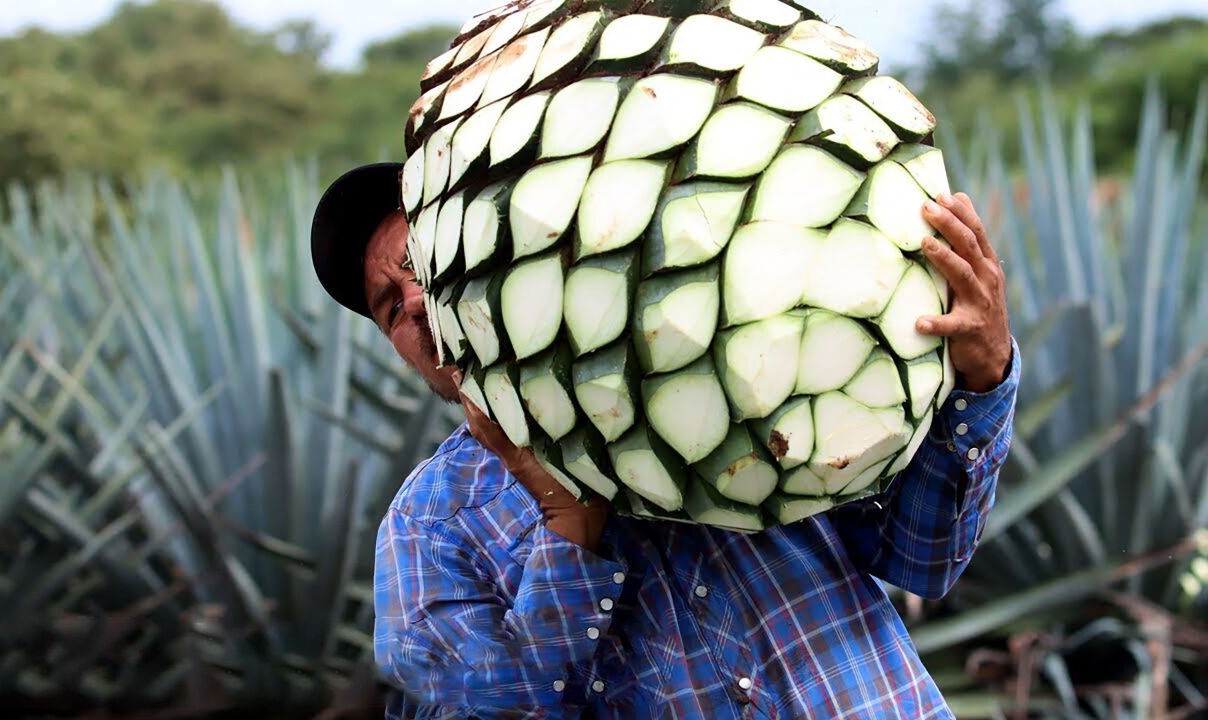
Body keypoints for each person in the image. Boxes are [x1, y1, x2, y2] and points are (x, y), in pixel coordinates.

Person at [311, 161, 1020, 719]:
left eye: (420, 268)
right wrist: (568, 528)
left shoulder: (742, 365)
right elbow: (483, 708)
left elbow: (922, 559)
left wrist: (982, 380)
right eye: (387, 309)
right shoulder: (430, 524)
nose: (413, 305)